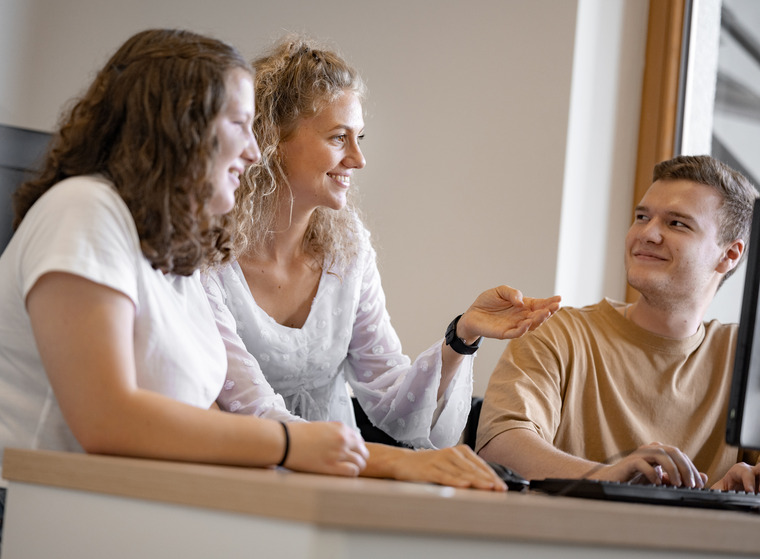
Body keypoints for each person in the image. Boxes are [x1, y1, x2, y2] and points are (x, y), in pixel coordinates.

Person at [0, 29, 370, 559]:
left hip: (87, 513)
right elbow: (109, 421)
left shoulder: (174, 253)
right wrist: (293, 445)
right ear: (182, 126)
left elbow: (203, 421)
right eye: (240, 127)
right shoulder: (85, 210)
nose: (254, 152)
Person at [203, 36, 561, 490]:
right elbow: (252, 409)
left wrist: (462, 336)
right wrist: (398, 465)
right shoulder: (204, 254)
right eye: (339, 138)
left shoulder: (347, 247)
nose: (359, 158)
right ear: (272, 140)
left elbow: (396, 411)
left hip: (341, 487)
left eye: (359, 138)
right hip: (236, 487)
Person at [476, 154, 760, 491]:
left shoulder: (745, 355)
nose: (647, 234)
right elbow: (500, 447)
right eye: (642, 217)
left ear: (730, 255)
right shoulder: (556, 332)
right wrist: (609, 475)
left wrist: (740, 485)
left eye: (676, 223)